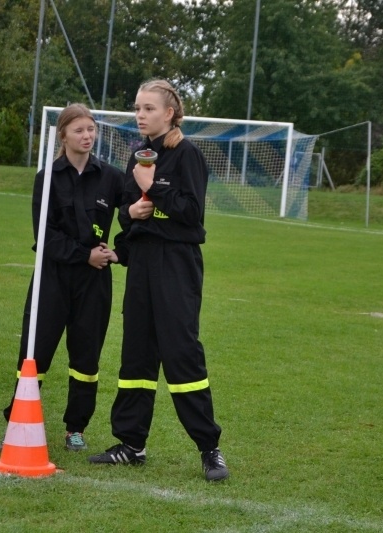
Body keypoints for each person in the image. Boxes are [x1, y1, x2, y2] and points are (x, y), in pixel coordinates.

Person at [87, 79, 229, 482]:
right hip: (143, 264)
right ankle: (131, 444)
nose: (140, 115)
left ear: (169, 113)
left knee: (181, 351)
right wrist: (130, 212)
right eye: (137, 108)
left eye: (148, 108)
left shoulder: (187, 155)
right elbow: (127, 214)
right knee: (136, 353)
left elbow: (191, 213)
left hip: (177, 263)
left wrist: (155, 191)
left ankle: (209, 448)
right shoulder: (137, 153)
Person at [1, 104, 125, 451]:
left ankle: (76, 428)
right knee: (34, 354)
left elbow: (133, 215)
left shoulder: (112, 177)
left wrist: (120, 251)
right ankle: (17, 419)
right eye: (79, 130)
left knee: (86, 358)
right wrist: (83, 254)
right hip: (52, 279)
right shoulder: (47, 178)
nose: (87, 136)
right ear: (63, 135)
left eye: (91, 129)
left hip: (94, 283)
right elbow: (45, 237)